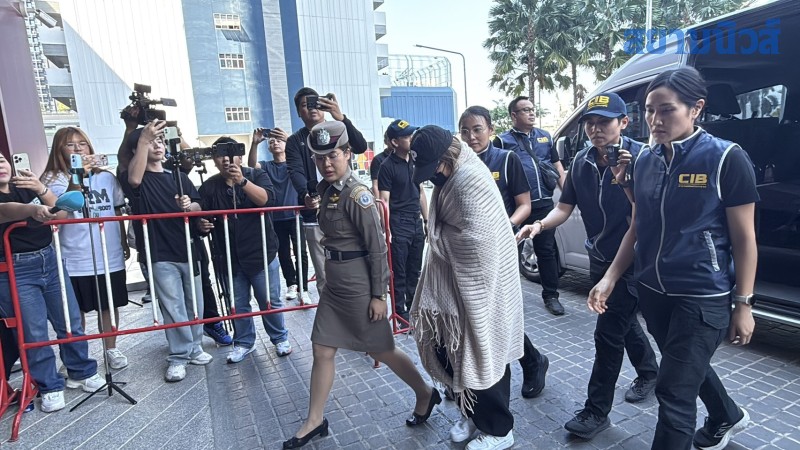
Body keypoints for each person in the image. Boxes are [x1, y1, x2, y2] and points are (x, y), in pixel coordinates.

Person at [588, 67, 757, 450]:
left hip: (702, 295)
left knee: (673, 391)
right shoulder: (644, 160)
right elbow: (639, 224)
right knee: (685, 365)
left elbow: (745, 239)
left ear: (696, 108)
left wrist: (743, 303)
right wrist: (610, 278)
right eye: (650, 110)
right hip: (653, 292)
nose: (655, 120)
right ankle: (727, 415)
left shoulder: (725, 158)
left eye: (667, 110)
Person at [284, 121, 439, 449]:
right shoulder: (327, 191)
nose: (326, 163)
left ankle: (425, 392)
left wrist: (378, 295)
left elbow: (378, 247)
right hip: (335, 283)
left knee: (381, 349)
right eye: (320, 158)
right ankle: (314, 421)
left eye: (333, 156)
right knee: (322, 349)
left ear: (347, 154)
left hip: (358, 283)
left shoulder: (358, 195)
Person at [516, 93, 659, 439]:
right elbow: (564, 207)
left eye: (604, 122)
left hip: (633, 258)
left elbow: (648, 216)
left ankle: (596, 411)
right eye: (590, 123)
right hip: (600, 255)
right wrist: (540, 225)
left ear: (624, 123)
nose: (596, 129)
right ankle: (650, 372)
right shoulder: (581, 161)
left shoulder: (643, 158)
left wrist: (628, 176)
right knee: (622, 320)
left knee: (608, 334)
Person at [411, 125, 524, 450]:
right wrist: (441, 234)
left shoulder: (468, 181)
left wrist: (438, 236)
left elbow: (479, 243)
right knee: (456, 351)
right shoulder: (453, 173)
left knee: (485, 351)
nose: (432, 177)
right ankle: (473, 414)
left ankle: (500, 431)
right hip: (456, 284)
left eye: (433, 168)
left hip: (486, 284)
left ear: (446, 157)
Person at [459, 106, 551, 401]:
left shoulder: (506, 159)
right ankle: (473, 376)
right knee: (481, 315)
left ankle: (531, 362)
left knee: (498, 313)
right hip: (470, 252)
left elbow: (524, 205)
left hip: (501, 249)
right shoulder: (458, 163)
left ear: (491, 130)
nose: (472, 137)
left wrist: (506, 227)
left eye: (477, 129)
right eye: (465, 131)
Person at [0, 154, 103, 412]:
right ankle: (49, 385)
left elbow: (62, 213)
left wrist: (41, 189)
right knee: (34, 331)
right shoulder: (11, 199)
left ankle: (82, 371)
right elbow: (6, 210)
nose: (0, 164)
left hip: (50, 258)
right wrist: (33, 210)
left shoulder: (25, 185)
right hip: (16, 267)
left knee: (69, 320)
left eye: (1, 159)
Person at [119, 120, 212, 382]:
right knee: (172, 305)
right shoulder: (134, 178)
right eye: (151, 142)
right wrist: (142, 138)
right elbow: (134, 179)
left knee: (195, 302)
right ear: (138, 148)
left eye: (160, 141)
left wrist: (190, 206)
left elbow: (199, 206)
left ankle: (195, 347)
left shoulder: (179, 176)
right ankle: (179, 355)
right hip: (159, 251)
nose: (157, 146)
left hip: (188, 247)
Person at [40, 127, 131, 370]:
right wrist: (77, 176)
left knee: (108, 304)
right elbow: (60, 210)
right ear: (59, 150)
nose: (78, 149)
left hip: (107, 252)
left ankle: (111, 349)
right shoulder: (51, 179)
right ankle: (77, 356)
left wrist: (123, 242)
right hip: (73, 256)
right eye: (70, 145)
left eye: (82, 143)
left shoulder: (106, 177)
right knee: (74, 310)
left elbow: (117, 211)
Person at [199, 137, 292, 363]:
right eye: (220, 155)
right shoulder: (210, 186)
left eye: (230, 154)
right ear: (214, 159)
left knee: (269, 300)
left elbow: (267, 200)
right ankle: (243, 342)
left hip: (261, 252)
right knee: (238, 303)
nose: (226, 160)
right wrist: (200, 223)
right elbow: (200, 212)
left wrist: (241, 181)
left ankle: (280, 338)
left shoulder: (256, 175)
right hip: (228, 256)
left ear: (240, 156)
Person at [284, 88, 369, 299]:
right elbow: (295, 171)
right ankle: (331, 312)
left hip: (347, 206)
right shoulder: (295, 140)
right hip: (315, 212)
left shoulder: (338, 128)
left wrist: (341, 117)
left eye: (315, 103)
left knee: (358, 261)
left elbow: (360, 146)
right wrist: (306, 194)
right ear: (298, 112)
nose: (311, 109)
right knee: (324, 274)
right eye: (305, 105)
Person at [494, 96, 566, 316]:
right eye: (525, 110)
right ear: (514, 115)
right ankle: (509, 298)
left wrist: (568, 196)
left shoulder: (545, 137)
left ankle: (551, 296)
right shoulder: (502, 141)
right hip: (515, 207)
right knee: (509, 252)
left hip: (543, 204)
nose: (531, 113)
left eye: (533, 109)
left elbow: (557, 166)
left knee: (546, 251)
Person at [248, 128, 310, 303]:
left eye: (278, 140)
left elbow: (306, 157)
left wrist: (290, 140)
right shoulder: (266, 166)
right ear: (268, 148)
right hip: (275, 217)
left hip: (295, 215)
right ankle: (291, 284)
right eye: (271, 141)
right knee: (283, 253)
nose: (275, 143)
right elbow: (252, 165)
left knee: (301, 252)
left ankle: (304, 288)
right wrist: (254, 143)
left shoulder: (294, 164)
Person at [378, 119, 428, 321]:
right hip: (399, 223)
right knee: (399, 271)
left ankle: (413, 307)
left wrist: (427, 220)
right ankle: (400, 312)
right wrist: (386, 229)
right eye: (407, 136)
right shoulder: (387, 166)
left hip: (416, 222)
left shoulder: (415, 161)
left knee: (415, 269)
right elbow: (384, 200)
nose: (411, 139)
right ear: (395, 142)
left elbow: (421, 191)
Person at [370, 132, 392, 197]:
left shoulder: (407, 157)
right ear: (385, 141)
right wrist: (378, 201)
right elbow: (375, 185)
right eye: (391, 140)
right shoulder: (378, 160)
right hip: (387, 198)